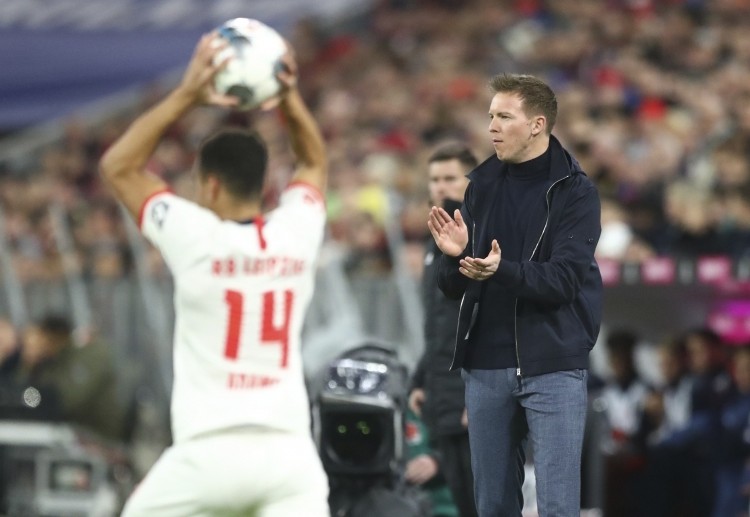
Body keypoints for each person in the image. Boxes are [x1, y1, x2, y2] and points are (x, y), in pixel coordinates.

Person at [99, 34, 330, 516]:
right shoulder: (296, 232)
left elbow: (119, 166)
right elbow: (313, 161)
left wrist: (187, 94)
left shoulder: (193, 235)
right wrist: (288, 97)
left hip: (208, 451)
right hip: (290, 456)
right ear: (263, 183)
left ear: (210, 184)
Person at [427, 73, 603, 516]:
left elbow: (563, 280)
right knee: (491, 506)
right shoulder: (480, 187)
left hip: (554, 363)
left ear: (537, 124)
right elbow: (451, 287)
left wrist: (500, 270)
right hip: (485, 365)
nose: (491, 127)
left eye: (504, 117)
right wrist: (454, 256)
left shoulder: (576, 192)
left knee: (557, 507)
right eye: (491, 116)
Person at [409, 141, 478, 517]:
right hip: (443, 393)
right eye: (435, 179)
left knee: (488, 501)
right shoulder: (433, 243)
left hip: (471, 390)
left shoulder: (481, 237)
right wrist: (421, 380)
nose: (441, 187)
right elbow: (439, 325)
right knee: (463, 499)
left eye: (450, 178)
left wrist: (480, 393)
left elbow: (485, 319)